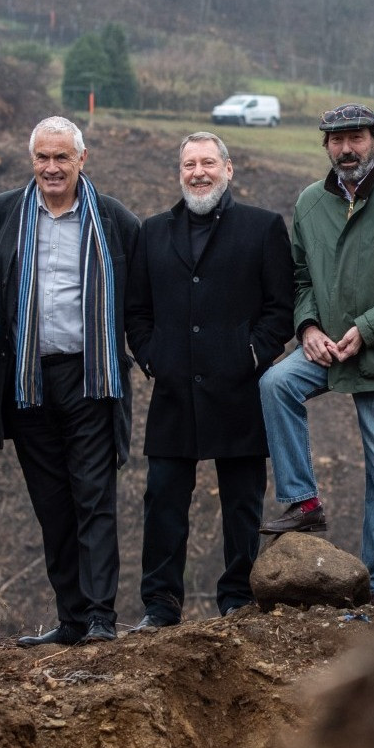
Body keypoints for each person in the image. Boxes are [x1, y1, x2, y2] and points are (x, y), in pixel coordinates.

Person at [257, 104, 374, 602]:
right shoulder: (309, 203)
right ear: (326, 147)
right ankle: (303, 501)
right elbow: (301, 279)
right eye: (336, 140)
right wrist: (309, 326)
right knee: (276, 384)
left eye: (355, 138)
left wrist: (368, 328)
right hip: (327, 347)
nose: (346, 148)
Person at [0, 116, 141, 646]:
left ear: (82, 159)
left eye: (62, 158)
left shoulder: (115, 219)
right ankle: (70, 618)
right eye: (43, 158)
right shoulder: (3, 212)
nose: (52, 168)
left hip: (91, 376)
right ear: (32, 160)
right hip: (27, 380)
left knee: (94, 498)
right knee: (52, 504)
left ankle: (100, 617)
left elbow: (137, 302)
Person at [125, 132, 292, 626]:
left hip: (239, 389)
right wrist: (154, 357)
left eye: (208, 163)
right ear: (180, 172)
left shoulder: (263, 228)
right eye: (189, 164)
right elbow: (136, 310)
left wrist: (250, 353)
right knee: (162, 500)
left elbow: (280, 310)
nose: (198, 172)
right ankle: (160, 606)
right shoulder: (152, 231)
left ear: (228, 169)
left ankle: (238, 598)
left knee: (242, 502)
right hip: (174, 389)